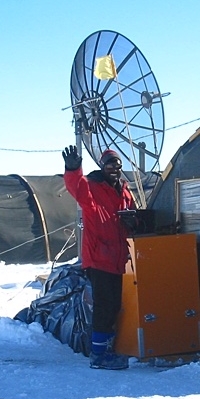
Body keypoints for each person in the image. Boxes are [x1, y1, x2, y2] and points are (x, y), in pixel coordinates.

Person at [62, 145, 136, 370]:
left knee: (114, 306)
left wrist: (135, 222)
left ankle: (107, 348)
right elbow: (76, 187)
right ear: (102, 166)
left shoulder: (124, 191)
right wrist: (73, 169)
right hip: (99, 258)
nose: (115, 169)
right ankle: (98, 355)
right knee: (104, 307)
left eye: (118, 165)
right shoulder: (92, 187)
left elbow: (132, 215)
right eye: (110, 165)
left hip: (118, 259)